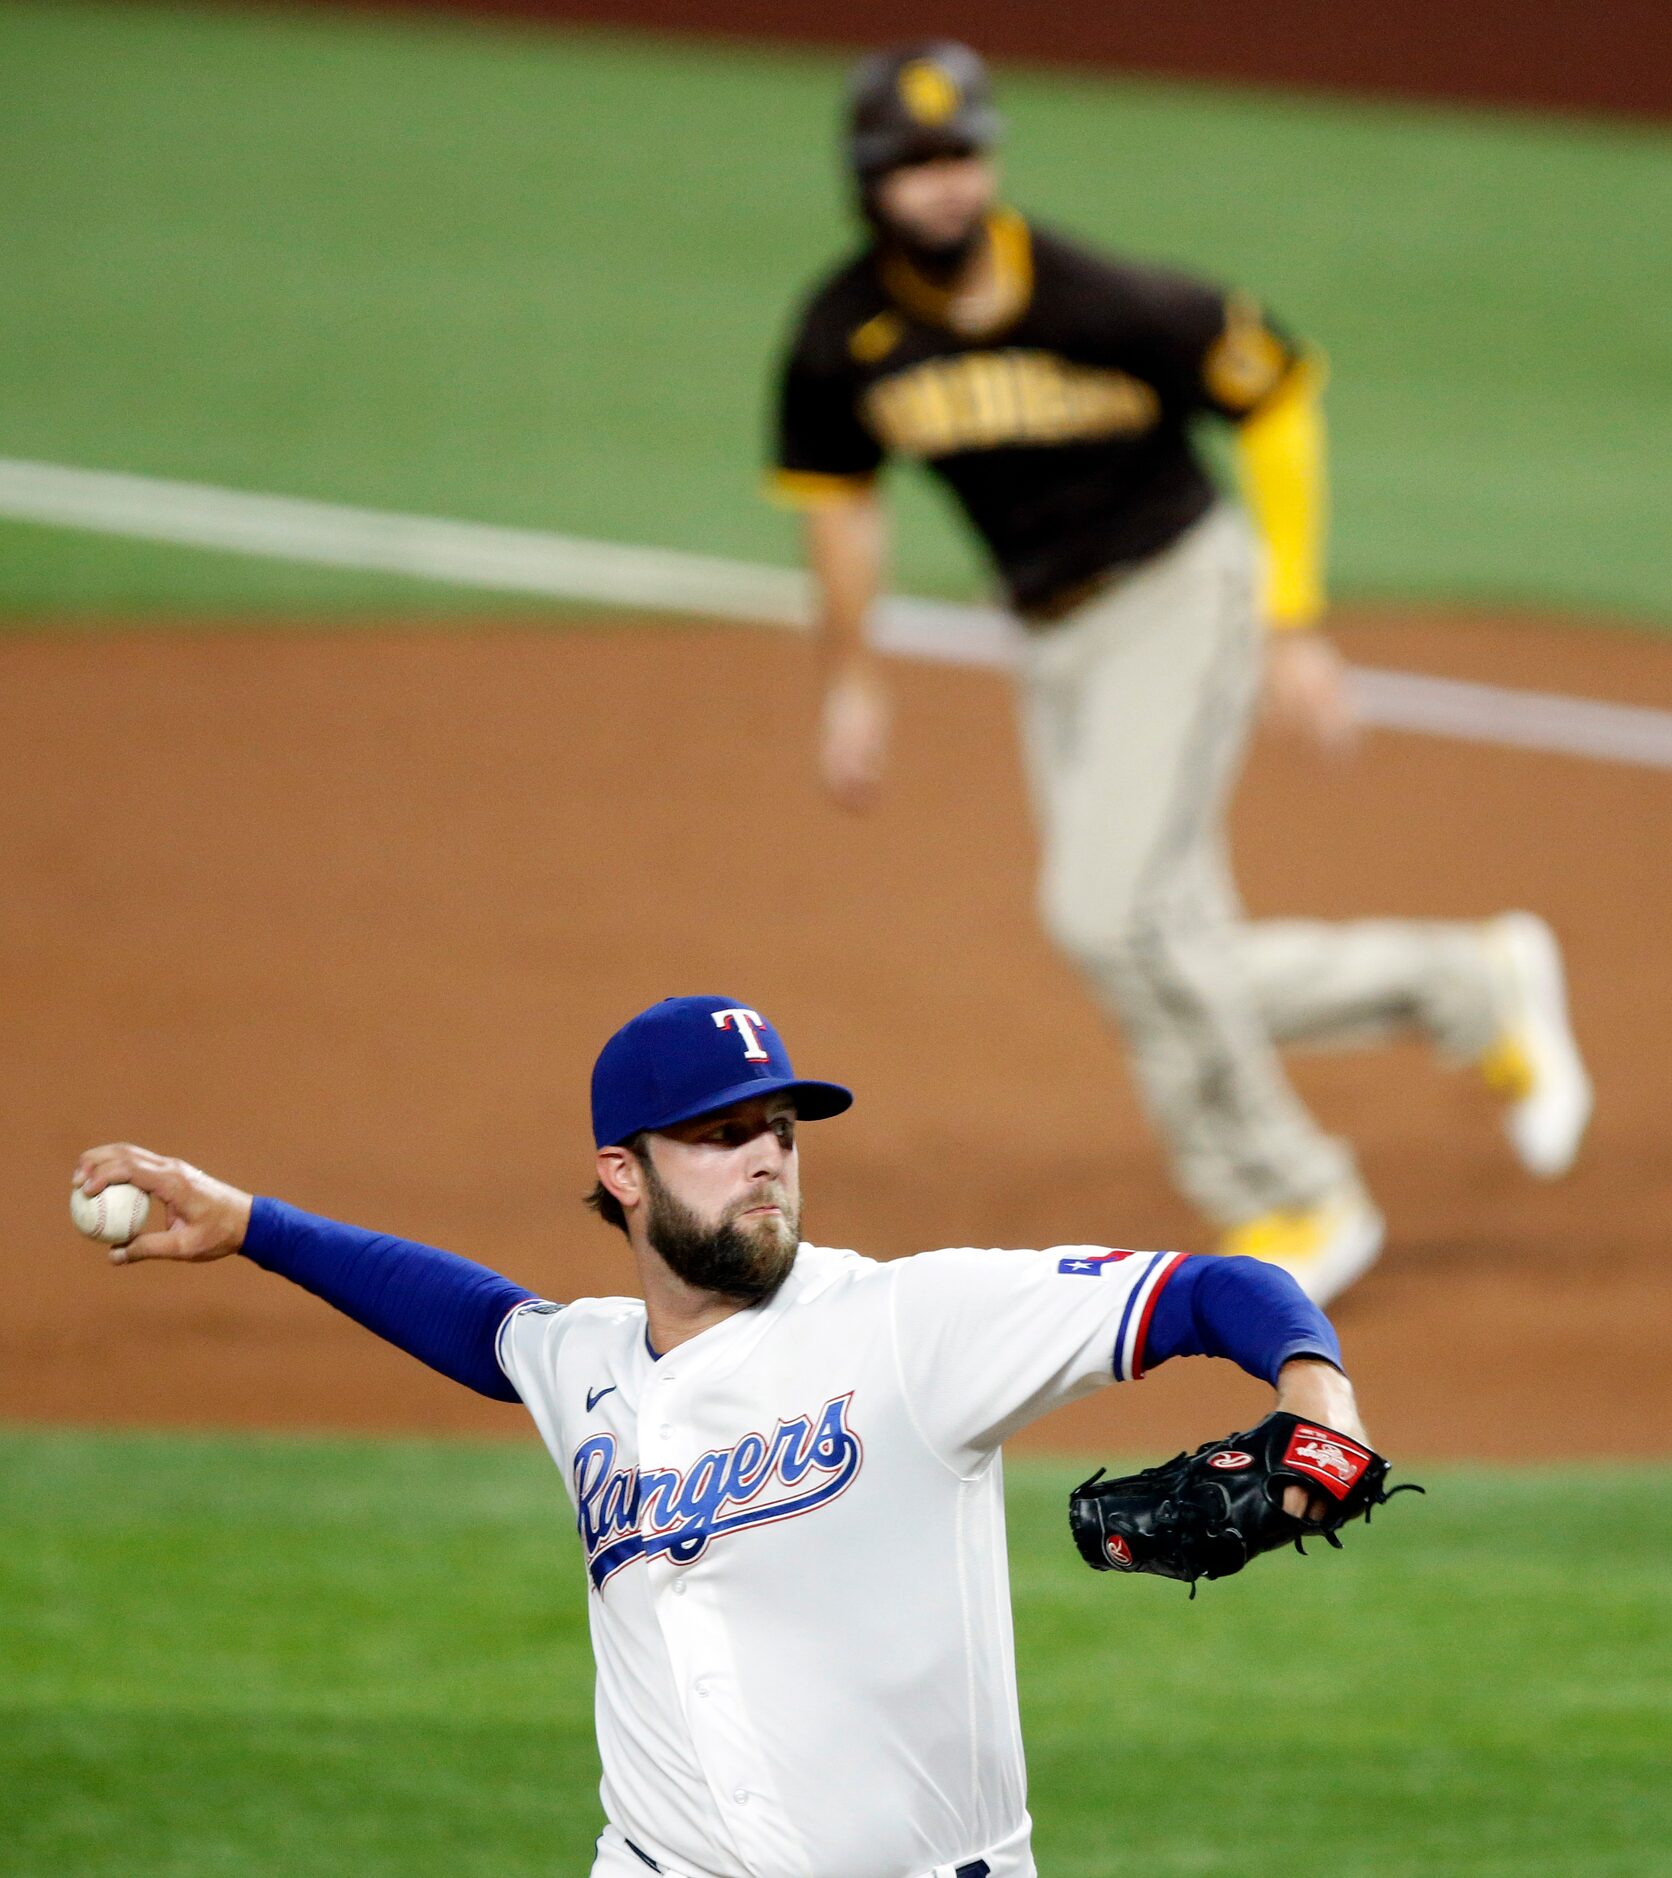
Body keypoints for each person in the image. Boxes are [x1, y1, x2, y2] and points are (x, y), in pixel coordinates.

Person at [78, 994, 1375, 1878]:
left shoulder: (912, 1323)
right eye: (718, 1133)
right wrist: (251, 1223)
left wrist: (1320, 1396)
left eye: (779, 1128)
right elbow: (481, 1326)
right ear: (624, 1172)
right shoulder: (580, 1360)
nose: (764, 1158)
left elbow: (1211, 1288)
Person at [766, 41, 1592, 1304]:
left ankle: (1296, 1191)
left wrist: (1294, 619)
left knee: (1104, 918)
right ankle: (1465, 982)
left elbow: (1278, 388)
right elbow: (840, 504)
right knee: (1162, 943)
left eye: (958, 154)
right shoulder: (846, 337)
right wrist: (853, 676)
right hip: (1050, 639)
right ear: (865, 181)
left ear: (988, 159)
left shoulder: (1100, 300)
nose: (939, 183)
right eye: (909, 163)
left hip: (1180, 592)